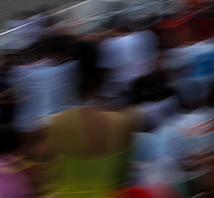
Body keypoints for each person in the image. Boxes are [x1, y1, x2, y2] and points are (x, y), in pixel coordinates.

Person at [29, 62, 145, 197]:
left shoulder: (53, 123)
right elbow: (125, 170)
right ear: (100, 81)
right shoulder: (126, 120)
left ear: (66, 86)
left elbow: (41, 168)